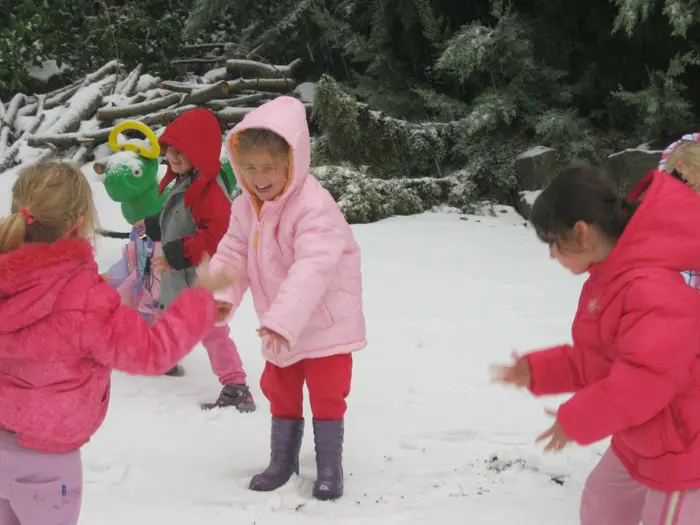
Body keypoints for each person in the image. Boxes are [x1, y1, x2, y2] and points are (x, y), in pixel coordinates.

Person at [0, 160, 234, 525]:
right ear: (79, 224)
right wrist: (199, 299)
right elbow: (154, 352)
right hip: (48, 462)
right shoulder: (85, 298)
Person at [491, 165, 700, 524]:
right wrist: (538, 370)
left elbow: (643, 381)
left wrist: (579, 419)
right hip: (644, 435)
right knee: (603, 503)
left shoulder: (650, 290)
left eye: (553, 241)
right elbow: (597, 359)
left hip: (684, 445)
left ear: (582, 233)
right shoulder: (608, 278)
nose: (552, 254)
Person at [210, 96, 366, 500]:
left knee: (328, 392)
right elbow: (232, 252)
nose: (258, 177)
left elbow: (312, 269)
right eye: (249, 167)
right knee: (279, 387)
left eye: (268, 167)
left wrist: (283, 319)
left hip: (323, 322)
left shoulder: (314, 207)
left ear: (291, 163)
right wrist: (222, 296)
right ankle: (283, 460)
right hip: (280, 323)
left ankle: (330, 464)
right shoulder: (246, 207)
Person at [134, 108, 255, 411]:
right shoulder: (188, 180)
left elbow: (218, 234)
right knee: (167, 314)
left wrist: (177, 253)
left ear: (199, 151)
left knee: (212, 331)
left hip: (203, 276)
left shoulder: (211, 191)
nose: (172, 157)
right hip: (183, 274)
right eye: (169, 151)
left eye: (180, 151)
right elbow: (177, 217)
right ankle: (166, 361)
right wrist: (152, 225)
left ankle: (235, 385)